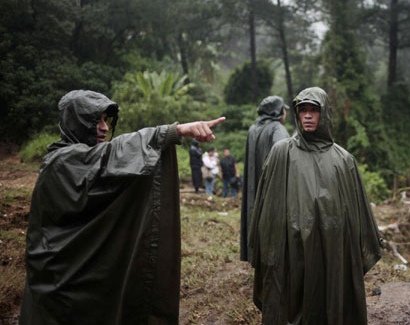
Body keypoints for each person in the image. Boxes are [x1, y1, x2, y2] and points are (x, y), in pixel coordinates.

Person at [19, 90, 225, 325]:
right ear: (75, 122)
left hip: (87, 283)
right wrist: (173, 131)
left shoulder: (83, 160)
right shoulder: (61, 162)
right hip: (58, 286)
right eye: (95, 120)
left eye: (106, 120)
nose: (104, 127)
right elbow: (109, 158)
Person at [248, 87, 382, 325]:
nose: (308, 115)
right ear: (297, 115)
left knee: (326, 299)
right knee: (288, 301)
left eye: (314, 110)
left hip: (330, 249)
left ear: (324, 115)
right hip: (289, 248)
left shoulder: (343, 160)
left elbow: (356, 216)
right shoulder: (282, 153)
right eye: (303, 110)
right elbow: (267, 208)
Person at [240, 95, 290, 262]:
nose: (286, 113)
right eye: (284, 110)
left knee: (257, 220)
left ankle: (257, 257)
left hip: (255, 190)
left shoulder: (252, 129)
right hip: (273, 191)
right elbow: (286, 158)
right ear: (277, 112)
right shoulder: (277, 129)